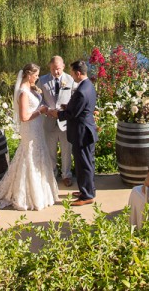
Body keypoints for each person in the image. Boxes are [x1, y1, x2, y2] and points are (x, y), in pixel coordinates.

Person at [0, 63, 58, 210]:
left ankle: (42, 193)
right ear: (29, 75)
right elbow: (24, 117)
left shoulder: (30, 89)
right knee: (29, 155)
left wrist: (45, 109)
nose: (37, 78)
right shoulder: (24, 93)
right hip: (30, 128)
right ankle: (28, 196)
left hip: (36, 128)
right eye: (36, 75)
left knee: (38, 154)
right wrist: (41, 111)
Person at [48, 60, 98, 206]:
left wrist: (55, 113)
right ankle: (88, 189)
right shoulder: (88, 85)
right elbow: (78, 108)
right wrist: (68, 106)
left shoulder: (82, 91)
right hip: (85, 130)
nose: (70, 75)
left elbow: (72, 114)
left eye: (71, 72)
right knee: (86, 162)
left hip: (82, 132)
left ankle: (87, 196)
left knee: (84, 164)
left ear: (78, 73)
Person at [38, 56, 75, 186]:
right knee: (50, 150)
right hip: (49, 121)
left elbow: (74, 99)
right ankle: (52, 174)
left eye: (58, 69)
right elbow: (38, 99)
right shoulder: (42, 80)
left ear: (63, 66)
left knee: (66, 150)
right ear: (50, 67)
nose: (56, 72)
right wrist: (47, 109)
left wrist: (65, 111)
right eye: (53, 69)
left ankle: (66, 175)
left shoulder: (70, 80)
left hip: (65, 122)